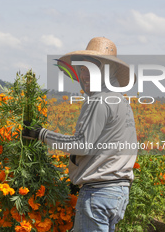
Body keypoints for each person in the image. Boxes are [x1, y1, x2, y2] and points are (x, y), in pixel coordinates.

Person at [22, 37, 138, 232]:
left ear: (107, 71)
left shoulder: (99, 100)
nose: (84, 75)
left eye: (91, 69)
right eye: (83, 69)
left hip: (99, 193)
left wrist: (41, 133)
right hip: (116, 192)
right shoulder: (121, 101)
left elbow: (82, 145)